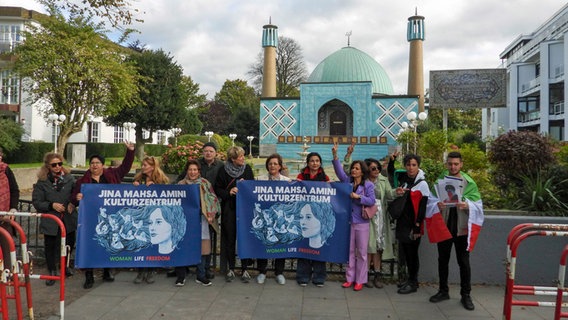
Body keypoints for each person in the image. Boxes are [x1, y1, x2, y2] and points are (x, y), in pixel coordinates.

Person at [70, 141, 135, 289]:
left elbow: (125, 167)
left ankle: (107, 271)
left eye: (97, 163)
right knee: (90, 245)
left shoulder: (112, 175)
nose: (94, 165)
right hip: (91, 218)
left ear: (102, 165)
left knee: (108, 242)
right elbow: (74, 198)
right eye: (92, 163)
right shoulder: (83, 181)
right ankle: (89, 275)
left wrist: (130, 151)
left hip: (110, 216)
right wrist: (77, 198)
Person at [429, 151, 482, 311]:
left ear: (461, 164)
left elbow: (478, 205)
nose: (453, 166)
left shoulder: (469, 182)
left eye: (456, 164)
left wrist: (467, 205)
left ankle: (466, 294)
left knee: (464, 262)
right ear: (447, 164)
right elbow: (431, 201)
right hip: (444, 226)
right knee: (442, 260)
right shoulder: (440, 180)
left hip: (462, 228)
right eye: (450, 164)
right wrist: (437, 204)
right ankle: (443, 290)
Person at [332, 142, 375, 291]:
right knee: (350, 251)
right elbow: (339, 172)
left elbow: (371, 201)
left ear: (362, 171)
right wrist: (335, 155)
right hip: (348, 222)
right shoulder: (347, 182)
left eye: (357, 168)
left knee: (362, 253)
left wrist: (358, 197)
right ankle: (349, 278)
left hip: (362, 222)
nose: (354, 170)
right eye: (353, 168)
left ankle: (360, 280)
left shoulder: (368, 185)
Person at [32, 153, 77, 286]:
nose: (57, 167)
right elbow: (37, 202)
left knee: (68, 244)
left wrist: (73, 202)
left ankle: (65, 267)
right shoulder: (42, 182)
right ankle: (51, 271)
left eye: (59, 164)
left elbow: (76, 194)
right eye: (54, 165)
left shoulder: (69, 179)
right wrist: (51, 205)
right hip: (51, 220)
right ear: (48, 166)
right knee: (50, 246)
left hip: (68, 218)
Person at [175, 159, 220, 287]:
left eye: (195, 169)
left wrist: (211, 214)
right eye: (190, 169)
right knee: (183, 246)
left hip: (202, 220)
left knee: (203, 248)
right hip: (185, 220)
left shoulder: (205, 184)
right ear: (187, 171)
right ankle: (181, 276)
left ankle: (201, 275)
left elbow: (213, 199)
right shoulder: (181, 184)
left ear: (199, 171)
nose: (192, 172)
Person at [214, 146, 254, 283]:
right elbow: (217, 188)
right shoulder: (223, 170)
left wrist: (246, 185)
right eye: (240, 156)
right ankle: (231, 268)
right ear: (233, 159)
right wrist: (229, 192)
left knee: (244, 238)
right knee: (230, 238)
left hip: (244, 209)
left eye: (243, 156)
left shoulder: (247, 169)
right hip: (229, 209)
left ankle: (244, 269)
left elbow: (253, 188)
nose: (243, 158)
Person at [394, 154, 429, 294]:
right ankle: (408, 280)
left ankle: (413, 282)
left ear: (418, 166)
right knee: (406, 253)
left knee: (412, 254)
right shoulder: (405, 180)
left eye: (414, 165)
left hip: (414, 225)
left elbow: (423, 207)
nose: (411, 168)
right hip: (403, 222)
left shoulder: (422, 183)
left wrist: (417, 226)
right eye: (408, 165)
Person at [132, 156, 169, 284]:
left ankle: (150, 270)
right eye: (142, 165)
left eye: (145, 165)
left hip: (154, 216)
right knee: (141, 241)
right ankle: (141, 271)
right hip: (141, 216)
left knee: (152, 242)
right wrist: (135, 187)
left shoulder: (161, 180)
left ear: (153, 167)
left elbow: (166, 195)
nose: (143, 167)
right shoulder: (139, 179)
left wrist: (155, 187)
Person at [295, 151, 330, 287]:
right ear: (308, 163)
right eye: (312, 161)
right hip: (305, 214)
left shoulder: (324, 177)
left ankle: (319, 277)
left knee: (319, 248)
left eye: (317, 161)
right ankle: (303, 276)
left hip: (317, 215)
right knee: (303, 247)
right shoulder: (301, 175)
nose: (315, 163)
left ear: (320, 163)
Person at [255, 153, 291, 285]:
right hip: (265, 218)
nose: (272, 166)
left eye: (275, 163)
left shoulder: (287, 181)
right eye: (270, 164)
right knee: (263, 242)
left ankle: (279, 272)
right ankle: (262, 271)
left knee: (280, 243)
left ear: (280, 166)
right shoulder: (259, 179)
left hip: (279, 219)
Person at [364, 158, 396, 289]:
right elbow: (347, 172)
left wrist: (397, 192)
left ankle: (377, 274)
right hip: (366, 215)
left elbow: (389, 195)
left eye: (378, 168)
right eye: (373, 168)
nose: (377, 170)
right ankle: (364, 275)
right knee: (367, 245)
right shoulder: (363, 181)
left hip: (380, 215)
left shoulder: (383, 180)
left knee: (378, 246)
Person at [0, 148, 19, 272]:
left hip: (4, 217)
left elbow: (14, 190)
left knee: (7, 249)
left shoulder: (6, 170)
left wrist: (13, 208)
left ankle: (8, 277)